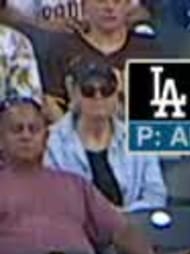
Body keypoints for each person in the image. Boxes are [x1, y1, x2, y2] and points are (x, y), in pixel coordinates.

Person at [0, 93, 150, 254]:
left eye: (33, 129)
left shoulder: (76, 185)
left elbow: (121, 231)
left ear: (46, 137)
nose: (26, 136)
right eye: (17, 129)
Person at [45, 58, 160, 213]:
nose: (98, 97)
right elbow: (52, 200)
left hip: (131, 227)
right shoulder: (51, 142)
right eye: (88, 90)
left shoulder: (140, 137)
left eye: (107, 90)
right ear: (74, 94)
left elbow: (156, 196)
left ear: (116, 94)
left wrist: (119, 216)